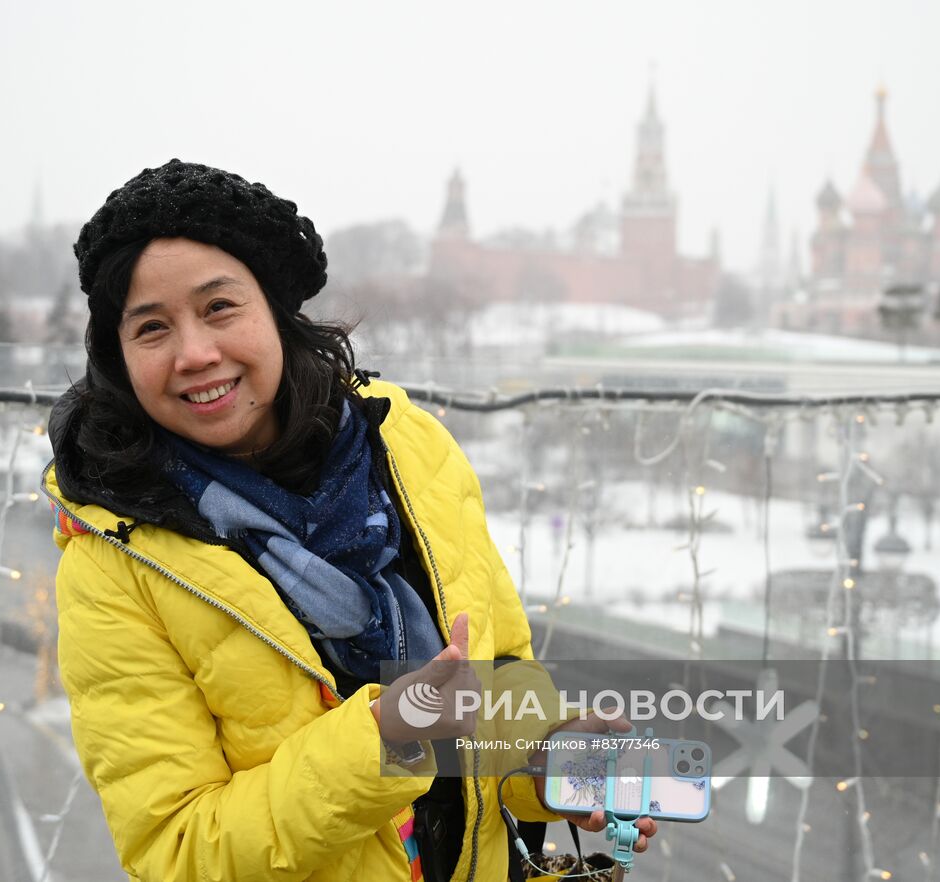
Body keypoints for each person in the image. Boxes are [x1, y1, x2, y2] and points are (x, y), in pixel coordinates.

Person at [44, 159, 655, 882]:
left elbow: (495, 688)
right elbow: (176, 850)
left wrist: (548, 762)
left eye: (220, 308)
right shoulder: (115, 563)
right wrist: (386, 740)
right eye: (152, 327)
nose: (196, 353)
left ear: (277, 311)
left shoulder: (409, 448)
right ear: (118, 357)